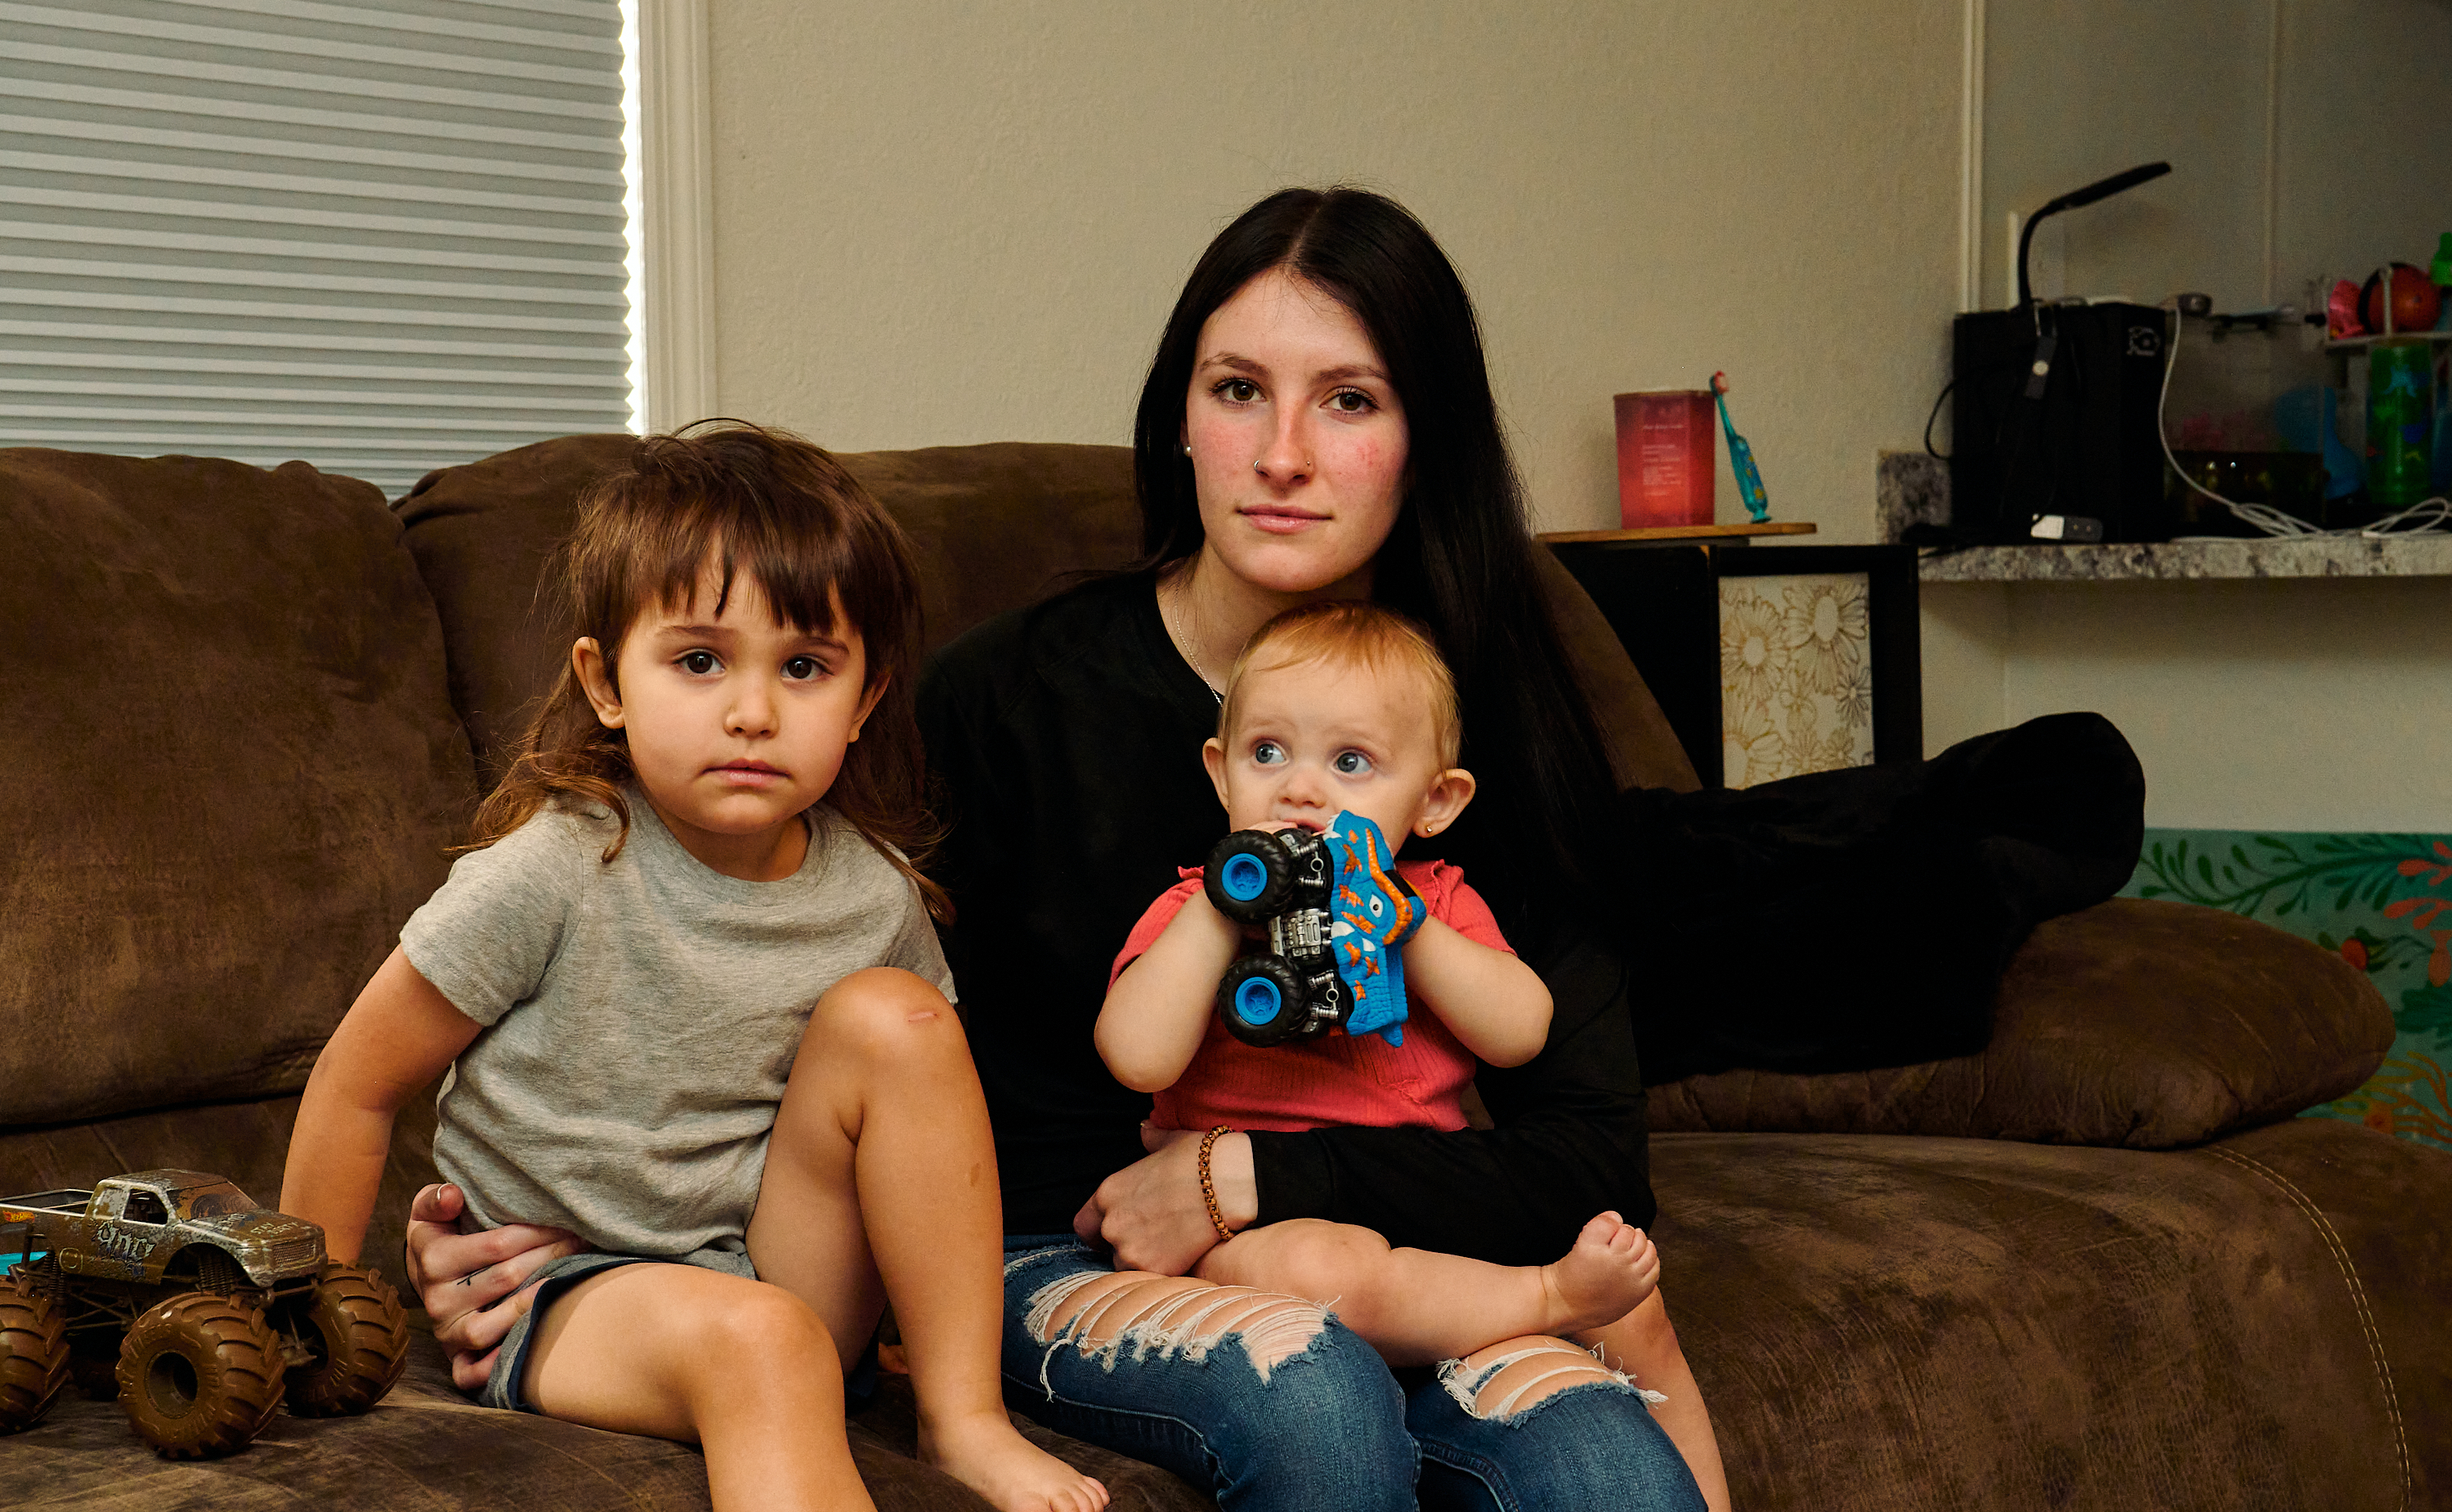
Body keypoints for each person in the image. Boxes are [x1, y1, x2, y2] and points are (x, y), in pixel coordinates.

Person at [403, 189, 1730, 1511]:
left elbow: (1589, 1161)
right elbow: (791, 987)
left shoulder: (1488, 720)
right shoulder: (1008, 695)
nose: (1281, 452)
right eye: (1236, 389)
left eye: (1349, 400)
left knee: (1614, 1475)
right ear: (1180, 416)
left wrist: (1251, 1174)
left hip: (1418, 1248)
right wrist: (579, 1240)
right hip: (1051, 1250)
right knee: (1313, 1398)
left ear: (1424, 435)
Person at [280, 425, 1104, 1512]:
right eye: (701, 660)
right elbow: (357, 1083)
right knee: (760, 1345)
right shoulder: (555, 868)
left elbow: (918, 1141)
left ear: (862, 705)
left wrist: (912, 1325)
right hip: (564, 1288)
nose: (752, 712)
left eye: (805, 667)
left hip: (777, 1263)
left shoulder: (872, 892)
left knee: (899, 1020)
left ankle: (964, 1422)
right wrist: (315, 1329)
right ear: (606, 680)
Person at [1097, 601, 1665, 1370]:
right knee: (1321, 1273)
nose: (1300, 790)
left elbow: (1520, 1030)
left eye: (1351, 763)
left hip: (1411, 1193)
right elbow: (1137, 1058)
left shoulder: (1433, 901)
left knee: (1638, 1316)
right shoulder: (1192, 906)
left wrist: (1413, 932)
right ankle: (1543, 1300)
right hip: (1247, 1232)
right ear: (1219, 772)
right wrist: (1220, 906)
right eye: (1266, 753)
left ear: (1436, 802)